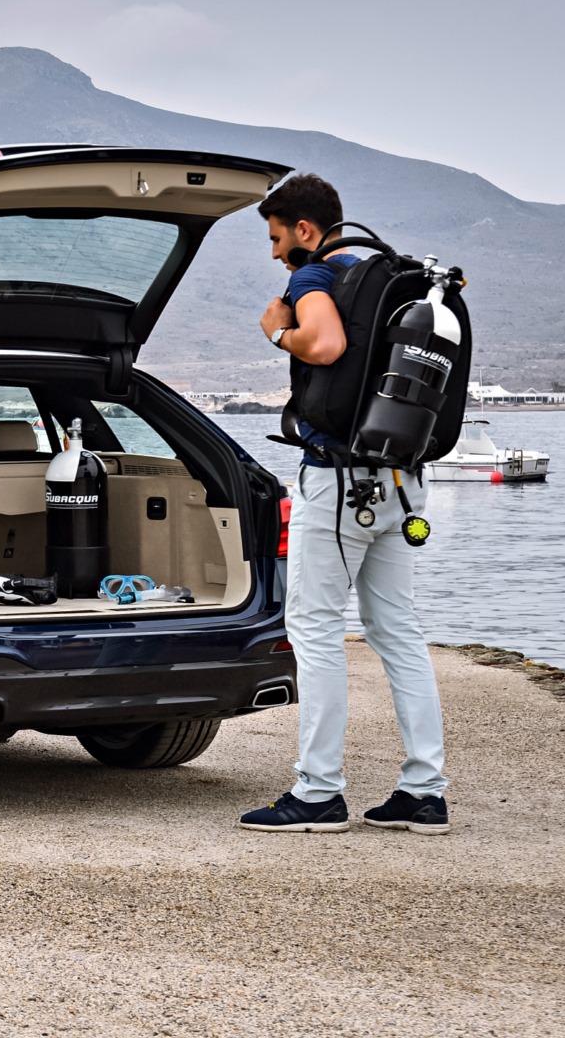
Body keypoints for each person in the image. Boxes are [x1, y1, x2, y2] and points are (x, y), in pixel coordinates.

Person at [239, 174, 450, 834]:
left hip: (337, 485)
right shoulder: (384, 281)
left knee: (315, 629)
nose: (275, 253)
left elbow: (325, 345)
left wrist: (278, 333)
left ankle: (318, 791)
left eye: (277, 238)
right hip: (400, 480)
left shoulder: (315, 278)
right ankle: (424, 791)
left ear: (305, 230)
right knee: (398, 631)